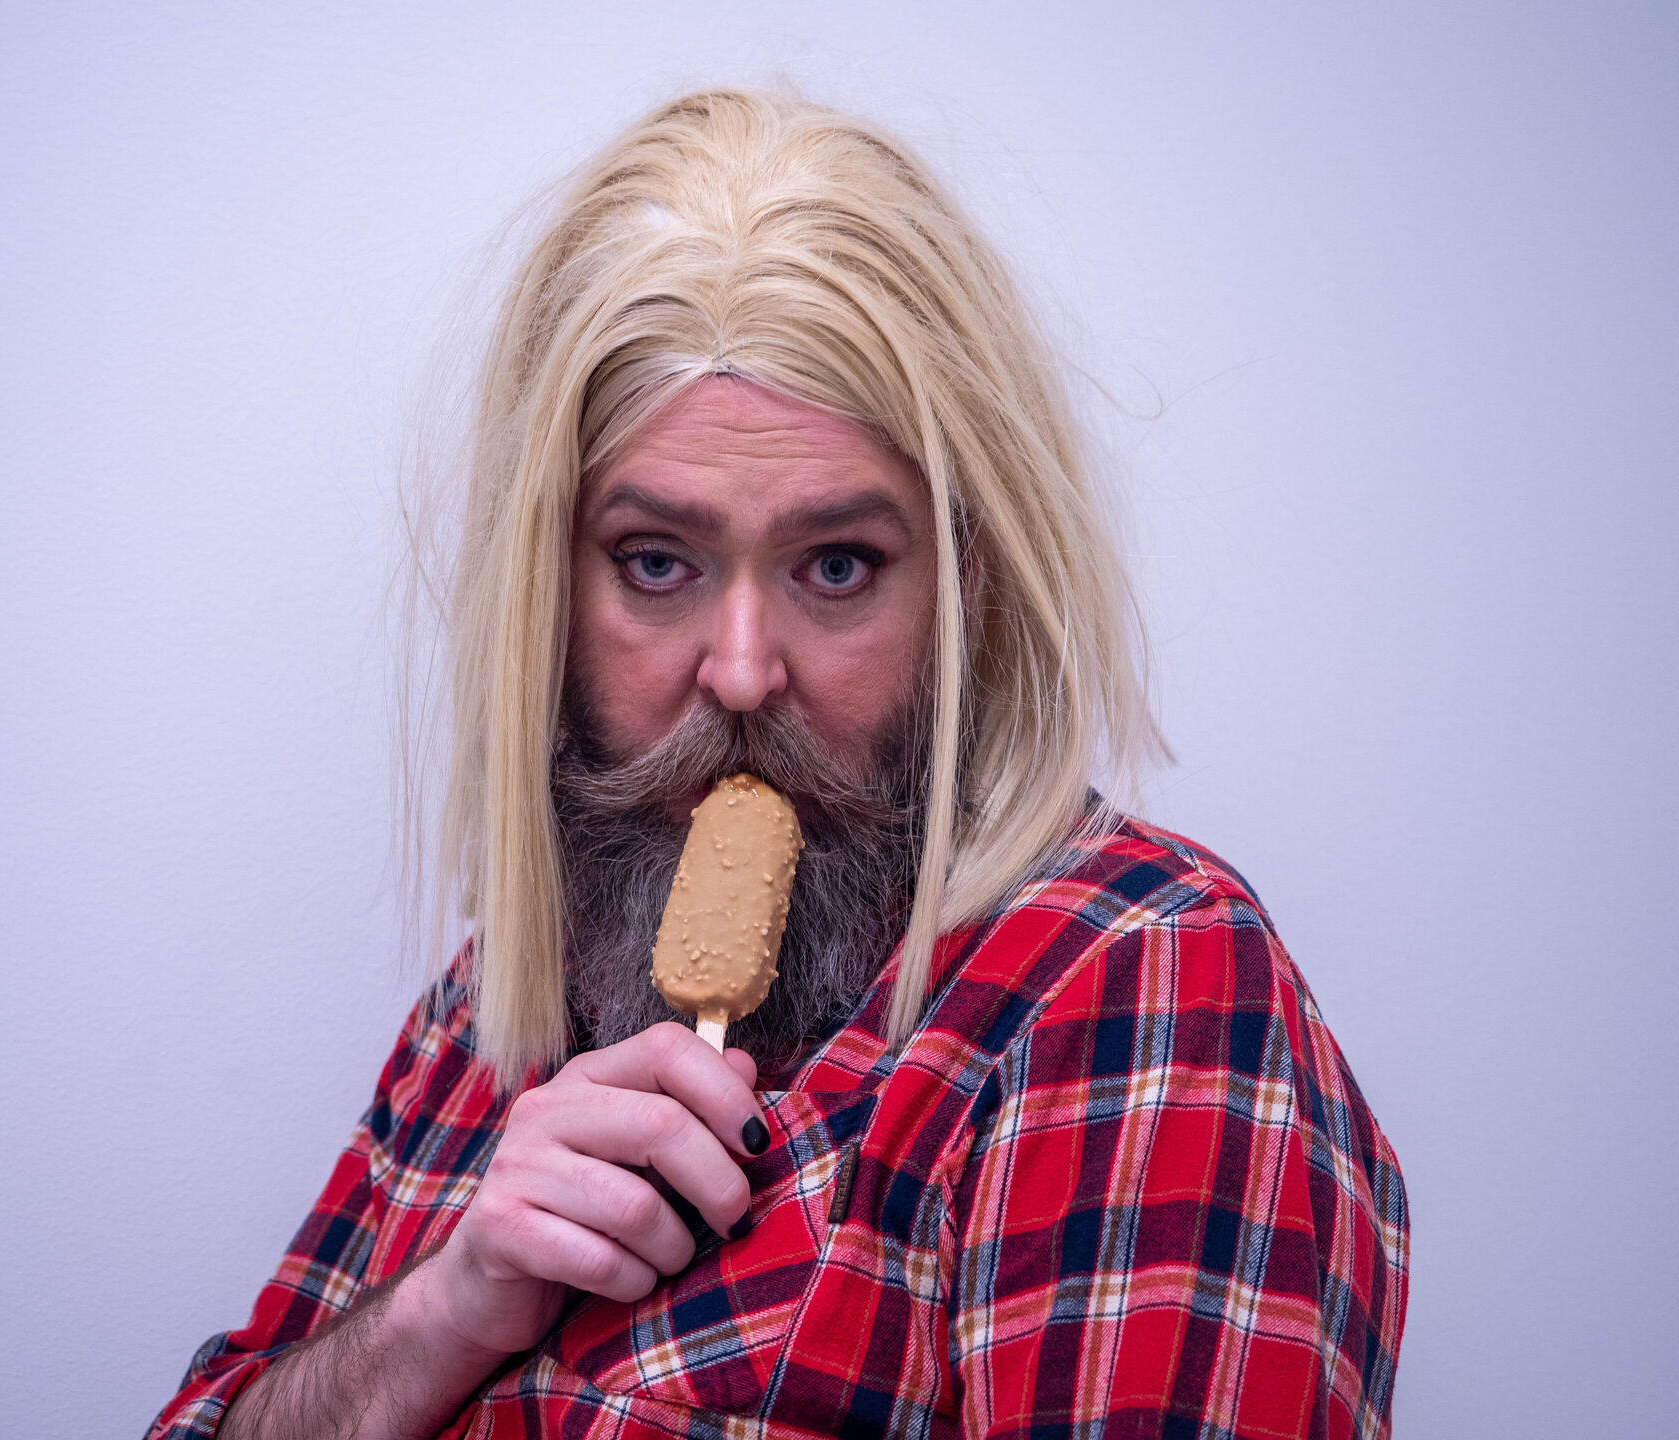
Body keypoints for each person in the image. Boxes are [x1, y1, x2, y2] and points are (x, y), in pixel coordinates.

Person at [146, 87, 1409, 1440]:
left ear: (965, 581)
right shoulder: (498, 1004)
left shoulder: (1140, 988)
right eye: (655, 562)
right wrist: (447, 1309)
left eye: (838, 566)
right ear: (546, 595)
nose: (743, 672)